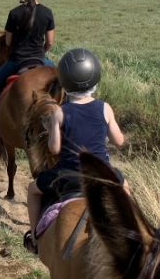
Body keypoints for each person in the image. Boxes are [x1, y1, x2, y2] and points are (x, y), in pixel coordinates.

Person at [23, 48, 129, 256]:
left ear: (63, 82)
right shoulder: (105, 108)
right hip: (102, 174)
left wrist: (53, 128)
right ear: (95, 78)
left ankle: (35, 239)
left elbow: (54, 148)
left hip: (69, 176)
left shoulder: (60, 112)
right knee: (125, 187)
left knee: (32, 190)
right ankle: (137, 234)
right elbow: (119, 141)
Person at [0, 0, 55, 125]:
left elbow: (9, 42)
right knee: (63, 83)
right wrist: (41, 53)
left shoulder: (14, 13)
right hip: (40, 59)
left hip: (17, 61)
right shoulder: (47, 13)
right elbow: (50, 42)